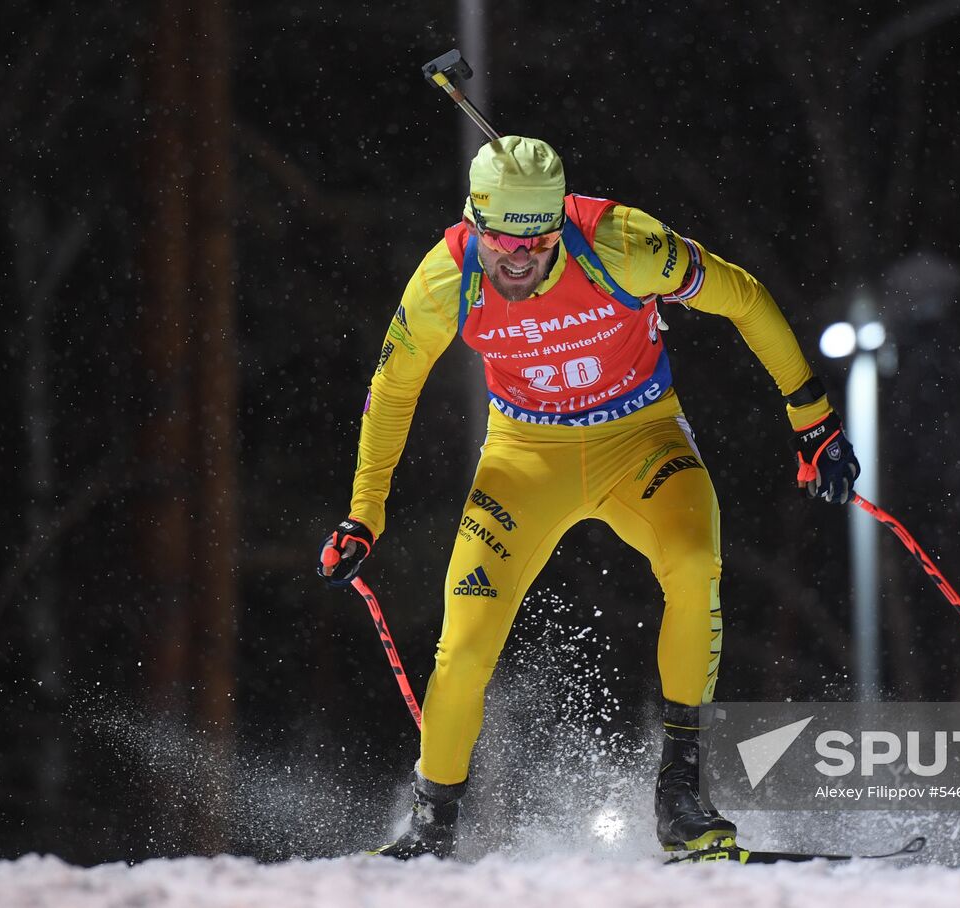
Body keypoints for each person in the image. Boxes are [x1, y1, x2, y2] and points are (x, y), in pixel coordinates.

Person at [318, 136, 859, 858]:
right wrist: (365, 513)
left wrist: (812, 422)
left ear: (558, 229)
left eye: (536, 246)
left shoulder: (623, 245)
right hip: (523, 457)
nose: (517, 262)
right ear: (474, 225)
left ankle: (682, 799)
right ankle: (430, 830)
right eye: (500, 245)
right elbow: (392, 390)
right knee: (466, 638)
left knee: (695, 566)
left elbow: (745, 298)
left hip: (642, 442)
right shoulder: (445, 280)